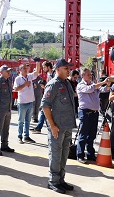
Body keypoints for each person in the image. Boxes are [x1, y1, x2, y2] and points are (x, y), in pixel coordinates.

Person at [41, 58, 76, 194]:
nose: (69, 71)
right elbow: (45, 105)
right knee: (55, 154)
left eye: (69, 68)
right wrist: (52, 125)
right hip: (57, 127)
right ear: (58, 70)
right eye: (66, 68)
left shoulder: (66, 83)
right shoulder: (53, 84)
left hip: (66, 126)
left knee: (64, 154)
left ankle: (60, 179)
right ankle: (53, 181)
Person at [76, 67, 111, 164]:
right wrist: (103, 82)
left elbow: (103, 90)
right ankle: (80, 154)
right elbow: (90, 89)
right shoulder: (81, 85)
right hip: (85, 112)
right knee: (83, 135)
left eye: (90, 75)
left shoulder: (93, 84)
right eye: (88, 75)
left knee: (92, 135)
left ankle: (90, 154)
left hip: (94, 113)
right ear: (83, 76)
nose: (90, 76)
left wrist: (107, 86)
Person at [13, 60, 40, 144]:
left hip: (30, 101)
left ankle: (26, 136)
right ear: (20, 70)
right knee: (21, 120)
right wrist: (25, 84)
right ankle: (19, 136)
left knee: (28, 120)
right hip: (22, 102)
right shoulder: (18, 79)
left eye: (27, 68)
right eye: (24, 68)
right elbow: (16, 89)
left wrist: (37, 62)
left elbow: (37, 72)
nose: (26, 70)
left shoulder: (29, 76)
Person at [31, 61, 53, 133]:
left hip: (50, 97)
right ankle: (39, 127)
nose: (43, 69)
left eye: (44, 67)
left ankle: (46, 128)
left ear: (48, 67)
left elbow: (52, 87)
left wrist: (44, 87)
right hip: (47, 96)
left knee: (45, 112)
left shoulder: (53, 75)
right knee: (43, 111)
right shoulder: (49, 74)